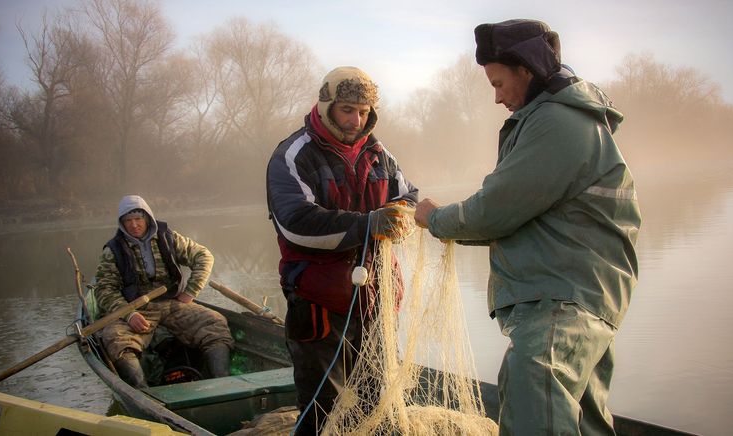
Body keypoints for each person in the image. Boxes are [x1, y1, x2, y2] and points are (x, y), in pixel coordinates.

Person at [414, 19, 641, 435]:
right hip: (580, 294)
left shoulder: (557, 122)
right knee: (582, 418)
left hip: (565, 294)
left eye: (499, 84)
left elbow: (496, 208)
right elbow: (513, 211)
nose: (497, 98)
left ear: (528, 69)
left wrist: (435, 218)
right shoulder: (561, 117)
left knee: (534, 384)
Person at [266, 66, 418, 435]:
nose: (356, 120)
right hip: (319, 301)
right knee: (321, 408)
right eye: (348, 109)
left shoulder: (380, 153)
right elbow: (296, 223)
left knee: (376, 403)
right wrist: (368, 224)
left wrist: (402, 213)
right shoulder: (294, 154)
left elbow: (408, 195)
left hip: (376, 299)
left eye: (364, 111)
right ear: (326, 106)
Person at [94, 194, 234, 389]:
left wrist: (191, 292)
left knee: (215, 323)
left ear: (147, 218)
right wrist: (129, 314)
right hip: (137, 309)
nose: (134, 225)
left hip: (173, 304)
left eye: (138, 219)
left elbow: (204, 256)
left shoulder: (168, 238)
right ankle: (143, 392)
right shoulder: (113, 250)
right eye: (128, 221)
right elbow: (104, 289)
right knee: (116, 339)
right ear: (122, 223)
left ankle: (223, 382)